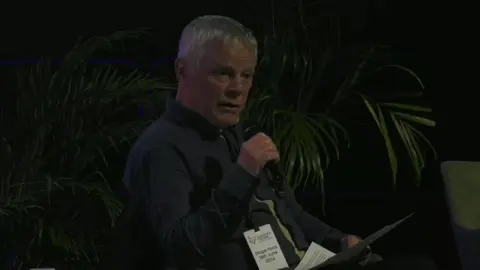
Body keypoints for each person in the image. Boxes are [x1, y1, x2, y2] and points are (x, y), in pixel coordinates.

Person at [122, 15, 438, 270]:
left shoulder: (234, 132)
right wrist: (242, 175)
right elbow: (181, 249)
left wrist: (338, 241)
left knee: (420, 263)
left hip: (303, 261)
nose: (238, 89)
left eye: (246, 76)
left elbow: (282, 207)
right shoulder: (161, 149)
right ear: (183, 71)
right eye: (223, 74)